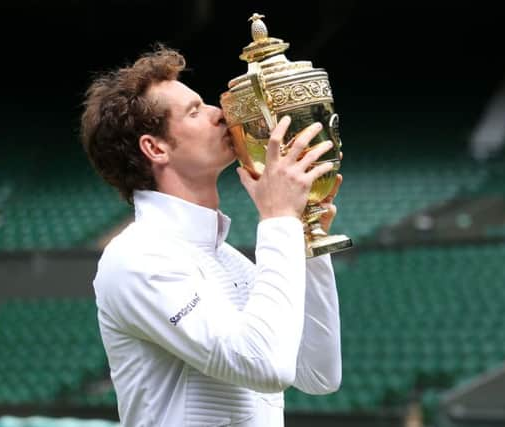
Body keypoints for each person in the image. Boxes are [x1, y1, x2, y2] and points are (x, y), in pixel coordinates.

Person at [80, 44, 342, 427]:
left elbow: (319, 375)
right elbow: (265, 365)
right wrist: (278, 220)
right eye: (195, 111)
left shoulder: (230, 259)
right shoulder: (136, 258)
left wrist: (304, 236)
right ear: (155, 148)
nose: (220, 114)